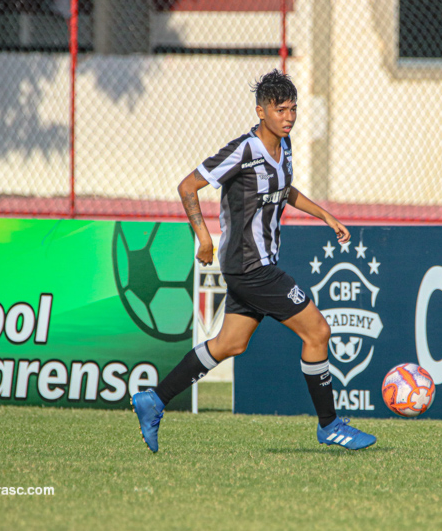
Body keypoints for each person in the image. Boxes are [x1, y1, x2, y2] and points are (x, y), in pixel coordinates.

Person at [131, 70, 376, 452]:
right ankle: (329, 425)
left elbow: (284, 189)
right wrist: (203, 237)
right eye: (281, 110)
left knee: (230, 343)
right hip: (251, 267)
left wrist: (325, 215)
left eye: (293, 109)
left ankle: (154, 400)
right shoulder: (244, 149)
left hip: (252, 266)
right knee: (318, 332)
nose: (289, 117)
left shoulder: (285, 144)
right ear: (261, 111)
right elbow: (188, 186)